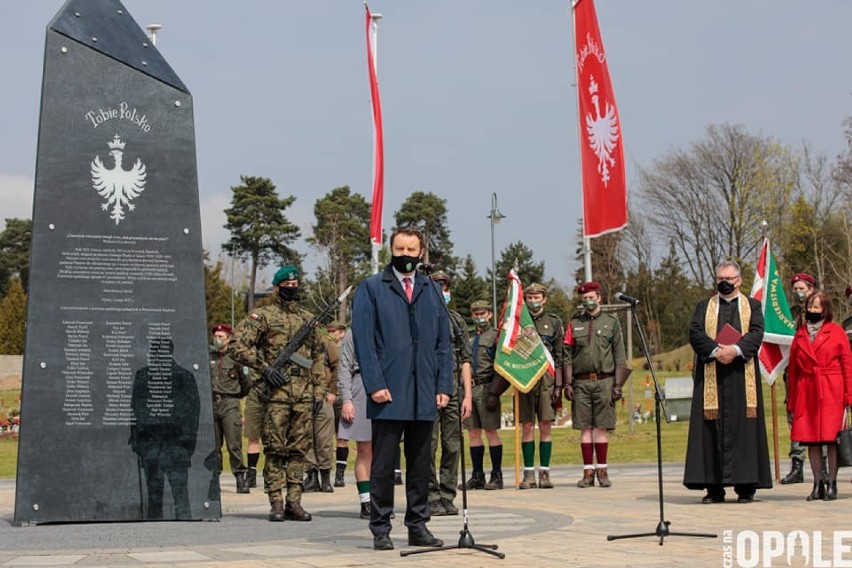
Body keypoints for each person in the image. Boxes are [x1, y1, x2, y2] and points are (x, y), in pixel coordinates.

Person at [352, 227, 453, 551]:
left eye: (412, 249)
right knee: (383, 465)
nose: (406, 255)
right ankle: (380, 527)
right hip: (388, 393)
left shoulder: (432, 290)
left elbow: (443, 343)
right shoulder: (371, 288)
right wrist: (375, 384)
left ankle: (417, 525)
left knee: (421, 464)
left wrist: (443, 385)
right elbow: (364, 342)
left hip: (424, 391)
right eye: (400, 248)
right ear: (391, 250)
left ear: (421, 252)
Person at [229, 265, 327, 522]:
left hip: (304, 394)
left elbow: (318, 357)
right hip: (276, 394)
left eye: (295, 285)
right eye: (287, 285)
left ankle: (295, 500)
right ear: (276, 287)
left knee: (298, 449)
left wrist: (318, 391)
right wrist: (264, 369)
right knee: (275, 449)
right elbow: (236, 346)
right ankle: (276, 501)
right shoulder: (262, 316)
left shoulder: (308, 318)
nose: (292, 289)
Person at [683, 260, 772, 504]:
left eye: (729, 279)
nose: (724, 282)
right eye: (720, 279)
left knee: (744, 428)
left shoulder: (752, 306)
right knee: (711, 429)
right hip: (712, 375)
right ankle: (714, 489)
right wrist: (715, 351)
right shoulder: (705, 306)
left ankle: (746, 487)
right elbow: (695, 333)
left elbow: (756, 333)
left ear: (739, 280)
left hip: (742, 377)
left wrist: (734, 350)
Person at [489, 282, 563, 489]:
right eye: (529, 298)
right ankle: (529, 473)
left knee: (546, 425)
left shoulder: (554, 322)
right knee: (527, 425)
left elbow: (560, 356)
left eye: (537, 297)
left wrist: (559, 385)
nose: (533, 301)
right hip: (524, 379)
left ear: (544, 299)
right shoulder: (517, 322)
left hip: (547, 380)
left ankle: (545, 473)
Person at [560, 281, 630, 488]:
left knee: (601, 427)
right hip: (581, 382)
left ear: (599, 297)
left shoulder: (612, 323)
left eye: (592, 297)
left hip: (605, 381)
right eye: (584, 298)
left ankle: (603, 470)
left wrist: (618, 384)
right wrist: (567, 383)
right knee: (585, 428)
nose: (588, 301)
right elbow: (567, 356)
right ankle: (587, 472)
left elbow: (619, 355)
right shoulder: (574, 324)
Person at [787, 291, 852, 501]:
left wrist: (849, 396)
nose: (812, 311)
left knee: (832, 440)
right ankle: (817, 483)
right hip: (808, 390)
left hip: (832, 389)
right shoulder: (800, 335)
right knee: (812, 440)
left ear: (825, 309)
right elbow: (794, 370)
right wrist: (793, 399)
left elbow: (847, 366)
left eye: (817, 307)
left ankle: (832, 483)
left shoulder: (836, 331)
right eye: (810, 307)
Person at [129, 337, 199, 520]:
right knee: (166, 493)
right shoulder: (181, 375)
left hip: (170, 444)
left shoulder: (182, 377)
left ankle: (168, 529)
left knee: (169, 494)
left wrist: (138, 440)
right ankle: (179, 530)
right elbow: (136, 409)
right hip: (163, 444)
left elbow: (193, 412)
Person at [427, 270, 472, 516]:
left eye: (445, 286)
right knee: (428, 445)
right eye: (437, 286)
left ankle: (447, 494)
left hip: (454, 389)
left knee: (453, 445)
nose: (442, 290)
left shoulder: (456, 320)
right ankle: (430, 495)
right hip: (429, 389)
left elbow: (465, 359)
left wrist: (467, 395)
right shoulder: (421, 317)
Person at [779, 273, 816, 485]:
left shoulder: (819, 310)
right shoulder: (789, 315)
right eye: (794, 289)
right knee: (794, 417)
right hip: (793, 373)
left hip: (814, 373)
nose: (798, 292)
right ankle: (797, 465)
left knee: (817, 417)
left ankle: (824, 467)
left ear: (811, 288)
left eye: (801, 288)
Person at [465, 299, 505, 490]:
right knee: (473, 433)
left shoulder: (495, 336)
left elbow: (502, 367)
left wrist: (494, 393)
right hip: (469, 388)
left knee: (491, 431)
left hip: (487, 387)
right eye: (476, 314)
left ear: (490, 314)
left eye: (483, 314)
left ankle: (497, 475)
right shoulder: (469, 337)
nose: (479, 317)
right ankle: (477, 474)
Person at [304, 320, 346, 493]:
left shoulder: (327, 344)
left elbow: (338, 368)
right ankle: (311, 475)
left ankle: (326, 476)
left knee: (324, 439)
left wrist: (333, 391)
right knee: (307, 438)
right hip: (304, 395)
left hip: (323, 394)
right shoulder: (300, 346)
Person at [209, 323, 252, 494]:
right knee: (214, 445)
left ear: (229, 339)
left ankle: (240, 477)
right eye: (216, 336)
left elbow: (247, 382)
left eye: (221, 336)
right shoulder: (209, 356)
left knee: (234, 444)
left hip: (230, 403)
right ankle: (214, 478)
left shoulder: (236, 357)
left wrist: (236, 396)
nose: (217, 339)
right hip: (213, 403)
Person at [337, 327, 375, 518]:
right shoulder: (354, 332)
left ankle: (380, 498)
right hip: (361, 385)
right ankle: (366, 501)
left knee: (385, 450)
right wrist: (347, 399)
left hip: (389, 386)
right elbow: (344, 365)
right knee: (364, 449)